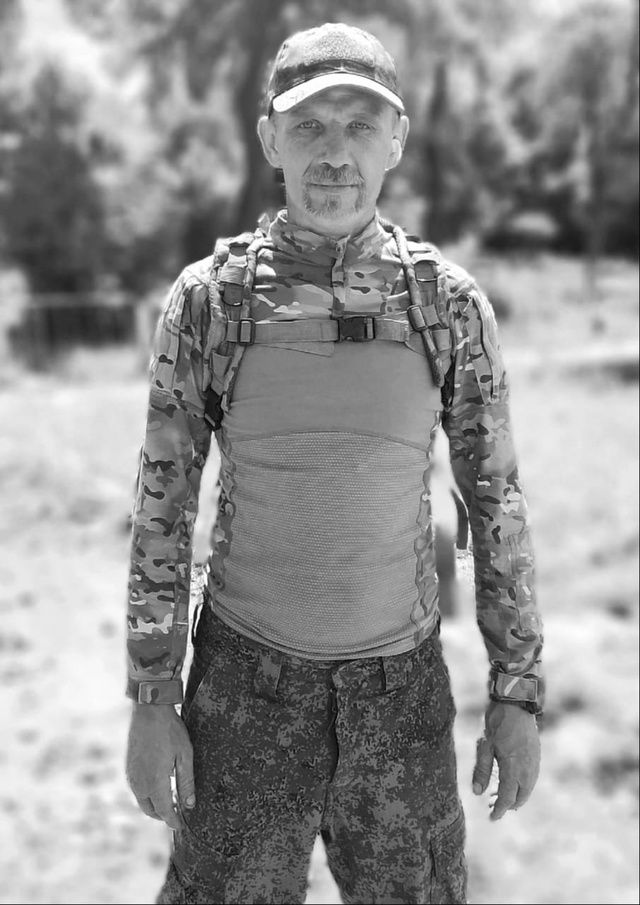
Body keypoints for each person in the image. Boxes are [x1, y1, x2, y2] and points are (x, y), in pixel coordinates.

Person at [125, 22, 544, 905]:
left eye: (360, 125)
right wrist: (152, 698)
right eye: (309, 126)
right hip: (244, 697)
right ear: (269, 138)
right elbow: (163, 505)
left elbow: (495, 504)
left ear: (397, 140)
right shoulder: (212, 301)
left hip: (402, 702)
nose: (335, 153)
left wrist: (517, 690)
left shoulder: (447, 305)